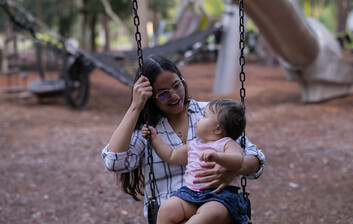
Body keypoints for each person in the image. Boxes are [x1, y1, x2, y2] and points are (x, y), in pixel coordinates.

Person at [101, 54, 265, 223]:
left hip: (217, 202)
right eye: (163, 94)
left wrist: (232, 168)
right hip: (176, 205)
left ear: (182, 80)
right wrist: (135, 108)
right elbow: (114, 162)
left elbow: (256, 159)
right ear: (150, 98)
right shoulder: (147, 129)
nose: (174, 96)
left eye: (176, 86)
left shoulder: (211, 114)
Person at [142, 99, 248, 224]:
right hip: (191, 193)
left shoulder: (227, 144)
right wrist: (154, 138)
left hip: (220, 196)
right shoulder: (194, 144)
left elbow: (238, 161)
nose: (198, 118)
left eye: (204, 116)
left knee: (208, 214)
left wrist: (218, 157)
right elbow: (171, 155)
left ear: (218, 128)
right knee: (166, 209)